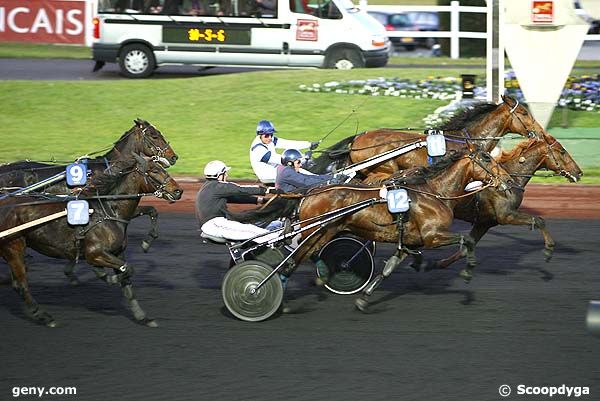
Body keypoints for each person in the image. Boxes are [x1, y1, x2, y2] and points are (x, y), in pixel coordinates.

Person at [196, 160, 279, 243]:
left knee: (252, 229)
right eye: (225, 173)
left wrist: (261, 200)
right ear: (219, 175)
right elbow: (241, 189)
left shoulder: (209, 187)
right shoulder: (219, 186)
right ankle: (279, 240)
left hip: (214, 224)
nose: (227, 175)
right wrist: (267, 190)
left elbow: (235, 198)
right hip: (215, 224)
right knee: (252, 231)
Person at [249, 120, 319, 185]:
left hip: (277, 170)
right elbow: (282, 160)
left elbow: (287, 144)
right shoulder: (258, 149)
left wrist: (309, 144)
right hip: (267, 175)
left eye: (271, 134)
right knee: (299, 175)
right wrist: (304, 157)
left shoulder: (269, 140)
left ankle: (321, 180)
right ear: (259, 135)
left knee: (302, 171)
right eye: (267, 135)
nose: (270, 137)